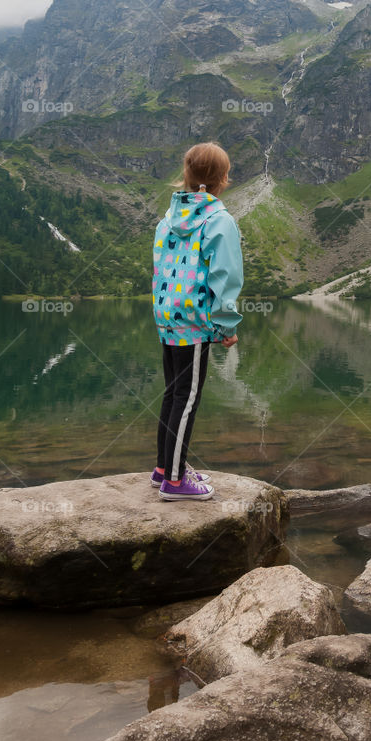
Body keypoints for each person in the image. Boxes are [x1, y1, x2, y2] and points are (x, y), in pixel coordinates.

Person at [151, 142, 243, 500]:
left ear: (186, 177)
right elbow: (225, 276)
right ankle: (174, 482)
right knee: (187, 399)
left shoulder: (168, 218)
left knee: (173, 393)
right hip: (194, 320)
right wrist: (226, 325)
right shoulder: (219, 221)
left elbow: (161, 267)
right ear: (223, 179)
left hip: (168, 315)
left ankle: (163, 468)